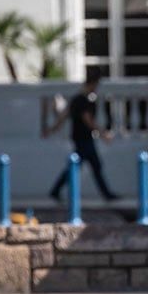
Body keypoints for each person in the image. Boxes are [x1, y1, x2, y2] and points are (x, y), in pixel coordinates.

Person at [46, 73, 119, 202]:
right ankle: (106, 194)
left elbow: (63, 116)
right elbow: (88, 120)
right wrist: (103, 134)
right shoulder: (84, 101)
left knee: (90, 166)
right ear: (91, 84)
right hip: (84, 138)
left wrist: (52, 129)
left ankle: (106, 194)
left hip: (79, 137)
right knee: (83, 166)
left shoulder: (76, 99)